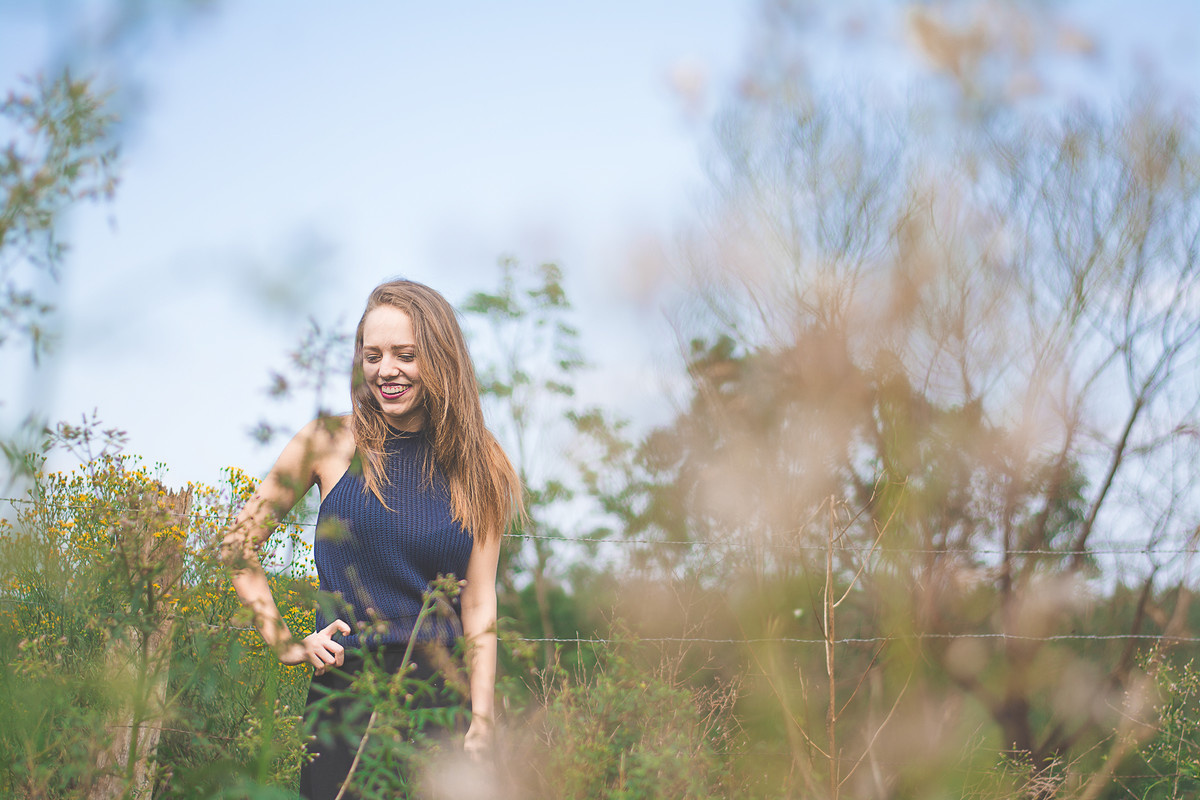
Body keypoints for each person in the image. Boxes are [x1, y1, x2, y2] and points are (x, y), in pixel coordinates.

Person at [222, 279, 522, 798]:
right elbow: (237, 547)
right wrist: (286, 642)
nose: (387, 370)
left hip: (440, 703)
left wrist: (481, 717)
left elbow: (478, 601)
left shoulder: (481, 460)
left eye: (406, 355)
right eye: (373, 355)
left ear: (441, 358)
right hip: (345, 697)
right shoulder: (328, 441)